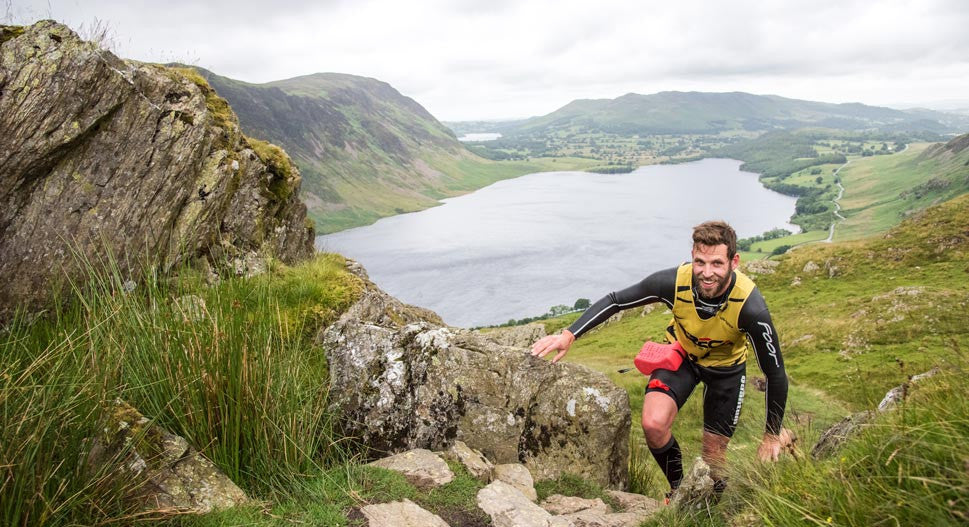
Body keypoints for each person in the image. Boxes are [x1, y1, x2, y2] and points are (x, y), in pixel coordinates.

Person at [530, 220, 789, 500]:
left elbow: (774, 372)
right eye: (700, 262)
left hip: (726, 370)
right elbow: (617, 300)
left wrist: (771, 434)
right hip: (682, 356)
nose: (707, 273)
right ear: (692, 256)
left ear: (734, 261)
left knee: (713, 455)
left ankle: (713, 505)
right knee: (653, 425)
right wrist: (570, 334)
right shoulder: (674, 282)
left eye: (717, 263)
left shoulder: (750, 305)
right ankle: (678, 489)